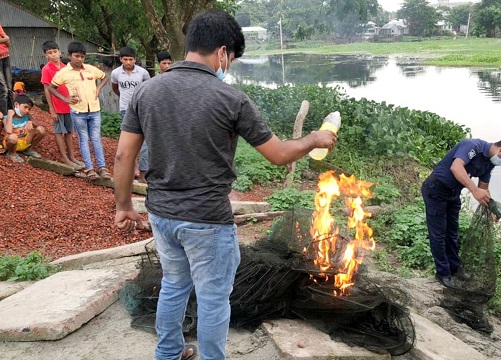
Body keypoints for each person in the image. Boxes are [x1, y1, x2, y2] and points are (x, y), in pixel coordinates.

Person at [113, 10, 337, 360]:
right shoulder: (231, 99)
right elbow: (278, 154)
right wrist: (314, 138)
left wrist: (124, 206)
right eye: (230, 58)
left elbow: (124, 157)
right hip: (207, 220)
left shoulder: (146, 91)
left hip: (161, 214)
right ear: (221, 52)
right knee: (214, 297)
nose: (227, 66)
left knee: (173, 283)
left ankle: (169, 353)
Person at [422, 137, 501, 288]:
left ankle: (455, 268)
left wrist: (492, 208)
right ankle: (442, 273)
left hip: (453, 193)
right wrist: (473, 190)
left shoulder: (489, 164)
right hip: (436, 190)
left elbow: (483, 188)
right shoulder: (472, 146)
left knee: (452, 232)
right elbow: (456, 167)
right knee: (439, 233)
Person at [49, 42, 111, 181]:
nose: (79, 59)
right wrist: (65, 98)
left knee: (96, 138)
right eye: (76, 56)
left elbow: (105, 77)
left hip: (95, 110)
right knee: (83, 139)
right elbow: (51, 87)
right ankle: (89, 169)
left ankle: (102, 168)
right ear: (69, 56)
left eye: (82, 56)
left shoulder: (90, 69)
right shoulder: (63, 73)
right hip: (78, 112)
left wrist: (99, 88)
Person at [40, 41, 84, 171]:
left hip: (69, 105)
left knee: (69, 131)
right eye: (49, 53)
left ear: (60, 52)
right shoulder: (47, 69)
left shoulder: (66, 67)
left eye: (55, 52)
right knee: (59, 132)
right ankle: (64, 157)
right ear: (45, 55)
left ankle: (71, 156)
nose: (53, 55)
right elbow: (47, 89)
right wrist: (51, 108)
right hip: (57, 105)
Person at [110, 46, 150, 182]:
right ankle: (134, 170)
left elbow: (147, 89)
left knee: (145, 141)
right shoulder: (116, 73)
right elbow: (115, 88)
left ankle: (144, 173)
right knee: (130, 141)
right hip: (125, 109)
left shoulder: (143, 73)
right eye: (125, 59)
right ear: (120, 59)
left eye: (131, 59)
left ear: (135, 59)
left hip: (142, 109)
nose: (128, 62)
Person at [1, 95, 46, 163]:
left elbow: (38, 126)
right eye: (25, 107)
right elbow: (9, 131)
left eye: (29, 109)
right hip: (11, 142)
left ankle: (29, 149)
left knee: (41, 129)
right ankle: (12, 153)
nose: (27, 110)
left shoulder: (26, 116)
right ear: (16, 104)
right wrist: (10, 116)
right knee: (13, 137)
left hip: (24, 141)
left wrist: (30, 120)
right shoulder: (6, 118)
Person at [0, 22, 11, 116]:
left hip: (5, 56)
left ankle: (12, 113)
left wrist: (5, 40)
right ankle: (4, 116)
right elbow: (5, 39)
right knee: (4, 89)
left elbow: (7, 39)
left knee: (9, 87)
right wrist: (4, 40)